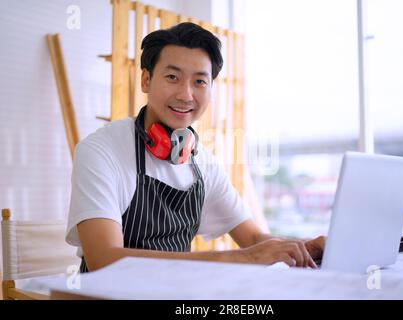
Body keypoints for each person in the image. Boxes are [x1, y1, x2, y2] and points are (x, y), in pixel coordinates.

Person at [66, 22, 325, 272]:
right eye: (172, 77)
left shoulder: (204, 164)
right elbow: (104, 258)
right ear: (146, 80)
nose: (186, 95)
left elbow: (254, 237)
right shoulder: (100, 151)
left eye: (199, 81)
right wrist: (245, 258)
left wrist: (306, 247)